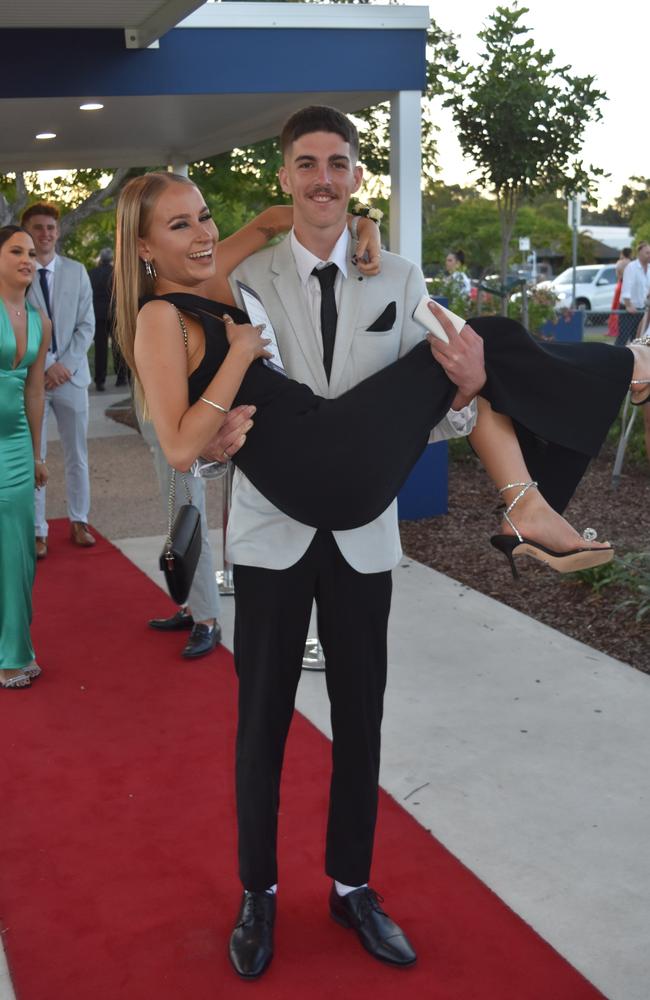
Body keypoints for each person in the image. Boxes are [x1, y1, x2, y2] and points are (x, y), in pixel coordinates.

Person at [112, 151, 649, 977]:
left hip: (354, 500)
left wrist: (363, 236)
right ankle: (259, 893)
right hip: (277, 516)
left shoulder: (346, 268)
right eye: (178, 224)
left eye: (205, 215)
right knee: (260, 728)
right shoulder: (174, 311)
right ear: (144, 246)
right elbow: (187, 448)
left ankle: (352, 885)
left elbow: (284, 219)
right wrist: (237, 356)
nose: (203, 231)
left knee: (361, 718)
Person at [21, 202, 96, 557]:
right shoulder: (18, 273)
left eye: (50, 227)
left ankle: (79, 520)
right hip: (34, 379)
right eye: (38, 228)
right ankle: (38, 531)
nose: (46, 233)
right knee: (35, 453)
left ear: (58, 231)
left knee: (76, 453)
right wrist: (47, 364)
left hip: (72, 377)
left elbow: (87, 325)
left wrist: (64, 364)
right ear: (27, 232)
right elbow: (19, 323)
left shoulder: (78, 272)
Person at [0, 226, 51, 689]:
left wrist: (36, 453)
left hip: (15, 447)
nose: (27, 259)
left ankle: (14, 648)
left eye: (31, 253)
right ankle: (8, 653)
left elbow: (34, 390)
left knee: (18, 553)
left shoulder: (39, 319)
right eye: (16, 251)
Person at [88, 247, 115, 391]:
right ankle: (122, 377)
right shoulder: (116, 273)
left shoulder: (92, 273)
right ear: (111, 259)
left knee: (100, 348)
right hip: (114, 313)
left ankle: (100, 380)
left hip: (97, 314)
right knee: (119, 346)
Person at [617, 241, 650, 346]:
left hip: (642, 310)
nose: (649, 255)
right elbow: (626, 288)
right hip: (628, 310)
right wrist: (628, 305)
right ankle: (614, 360)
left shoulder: (649, 268)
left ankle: (634, 360)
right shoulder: (631, 267)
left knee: (638, 340)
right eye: (647, 253)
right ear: (639, 252)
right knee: (623, 338)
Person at [607, 247, 631, 339]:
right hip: (627, 285)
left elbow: (617, 275)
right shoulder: (632, 263)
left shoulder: (619, 263)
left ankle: (614, 329)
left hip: (620, 284)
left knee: (616, 306)